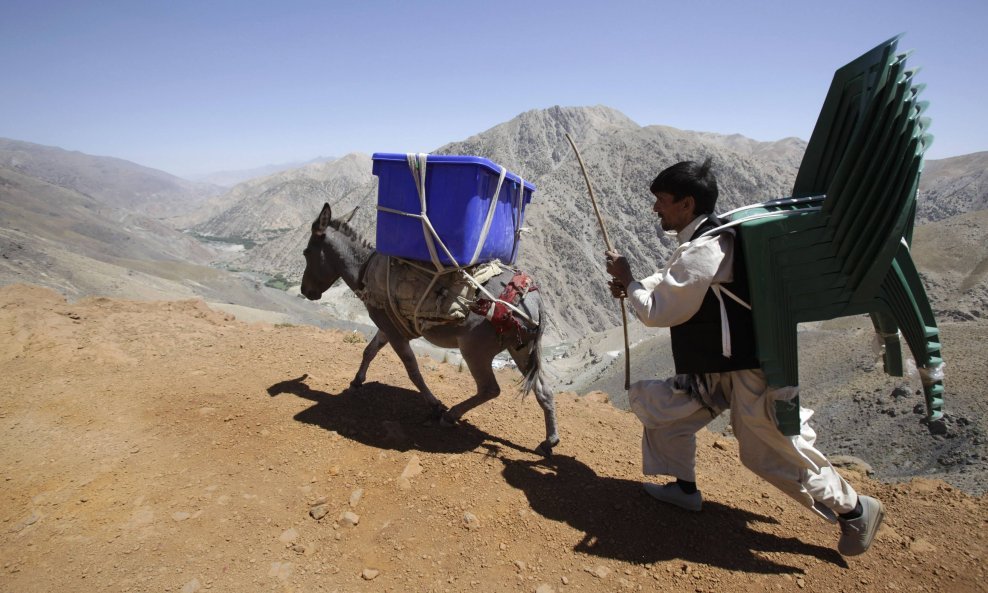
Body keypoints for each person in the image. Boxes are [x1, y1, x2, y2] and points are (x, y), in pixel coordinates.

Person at [603, 158, 884, 556]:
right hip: (717, 365)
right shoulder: (705, 239)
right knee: (663, 408)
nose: (656, 209)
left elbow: (657, 312)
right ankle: (684, 489)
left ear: (686, 204)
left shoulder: (704, 249)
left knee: (768, 453)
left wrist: (629, 281)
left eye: (662, 201)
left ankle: (855, 510)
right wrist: (633, 285)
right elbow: (672, 278)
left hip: (746, 369)